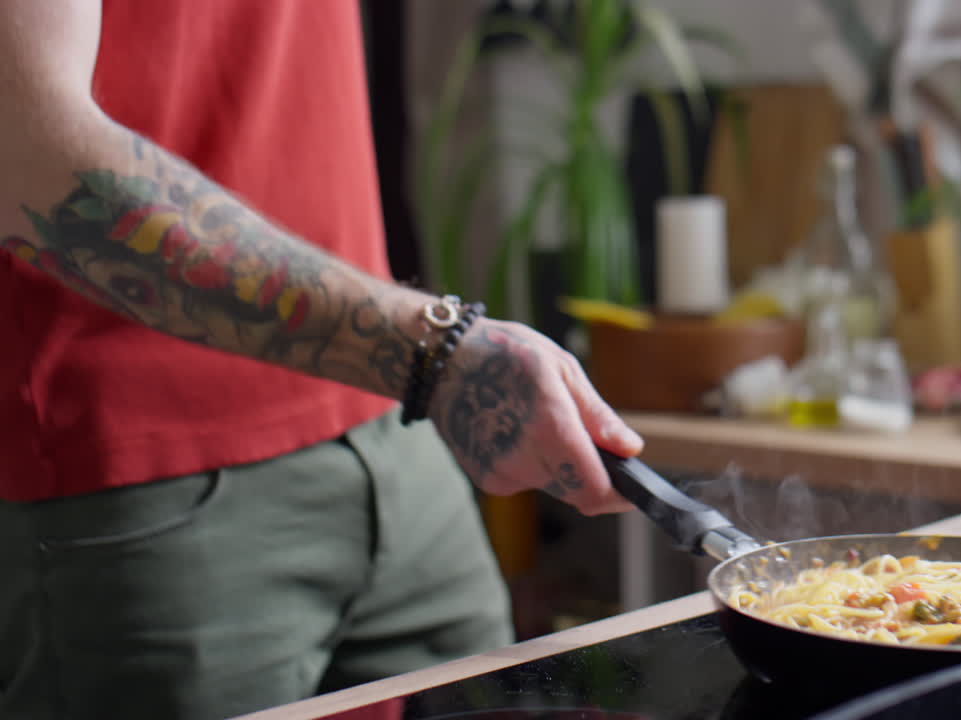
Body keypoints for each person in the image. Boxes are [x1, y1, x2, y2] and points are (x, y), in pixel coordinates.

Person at [0, 2, 643, 719]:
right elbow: (26, 151)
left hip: (393, 431)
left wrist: (421, 359)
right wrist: (423, 347)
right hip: (143, 482)